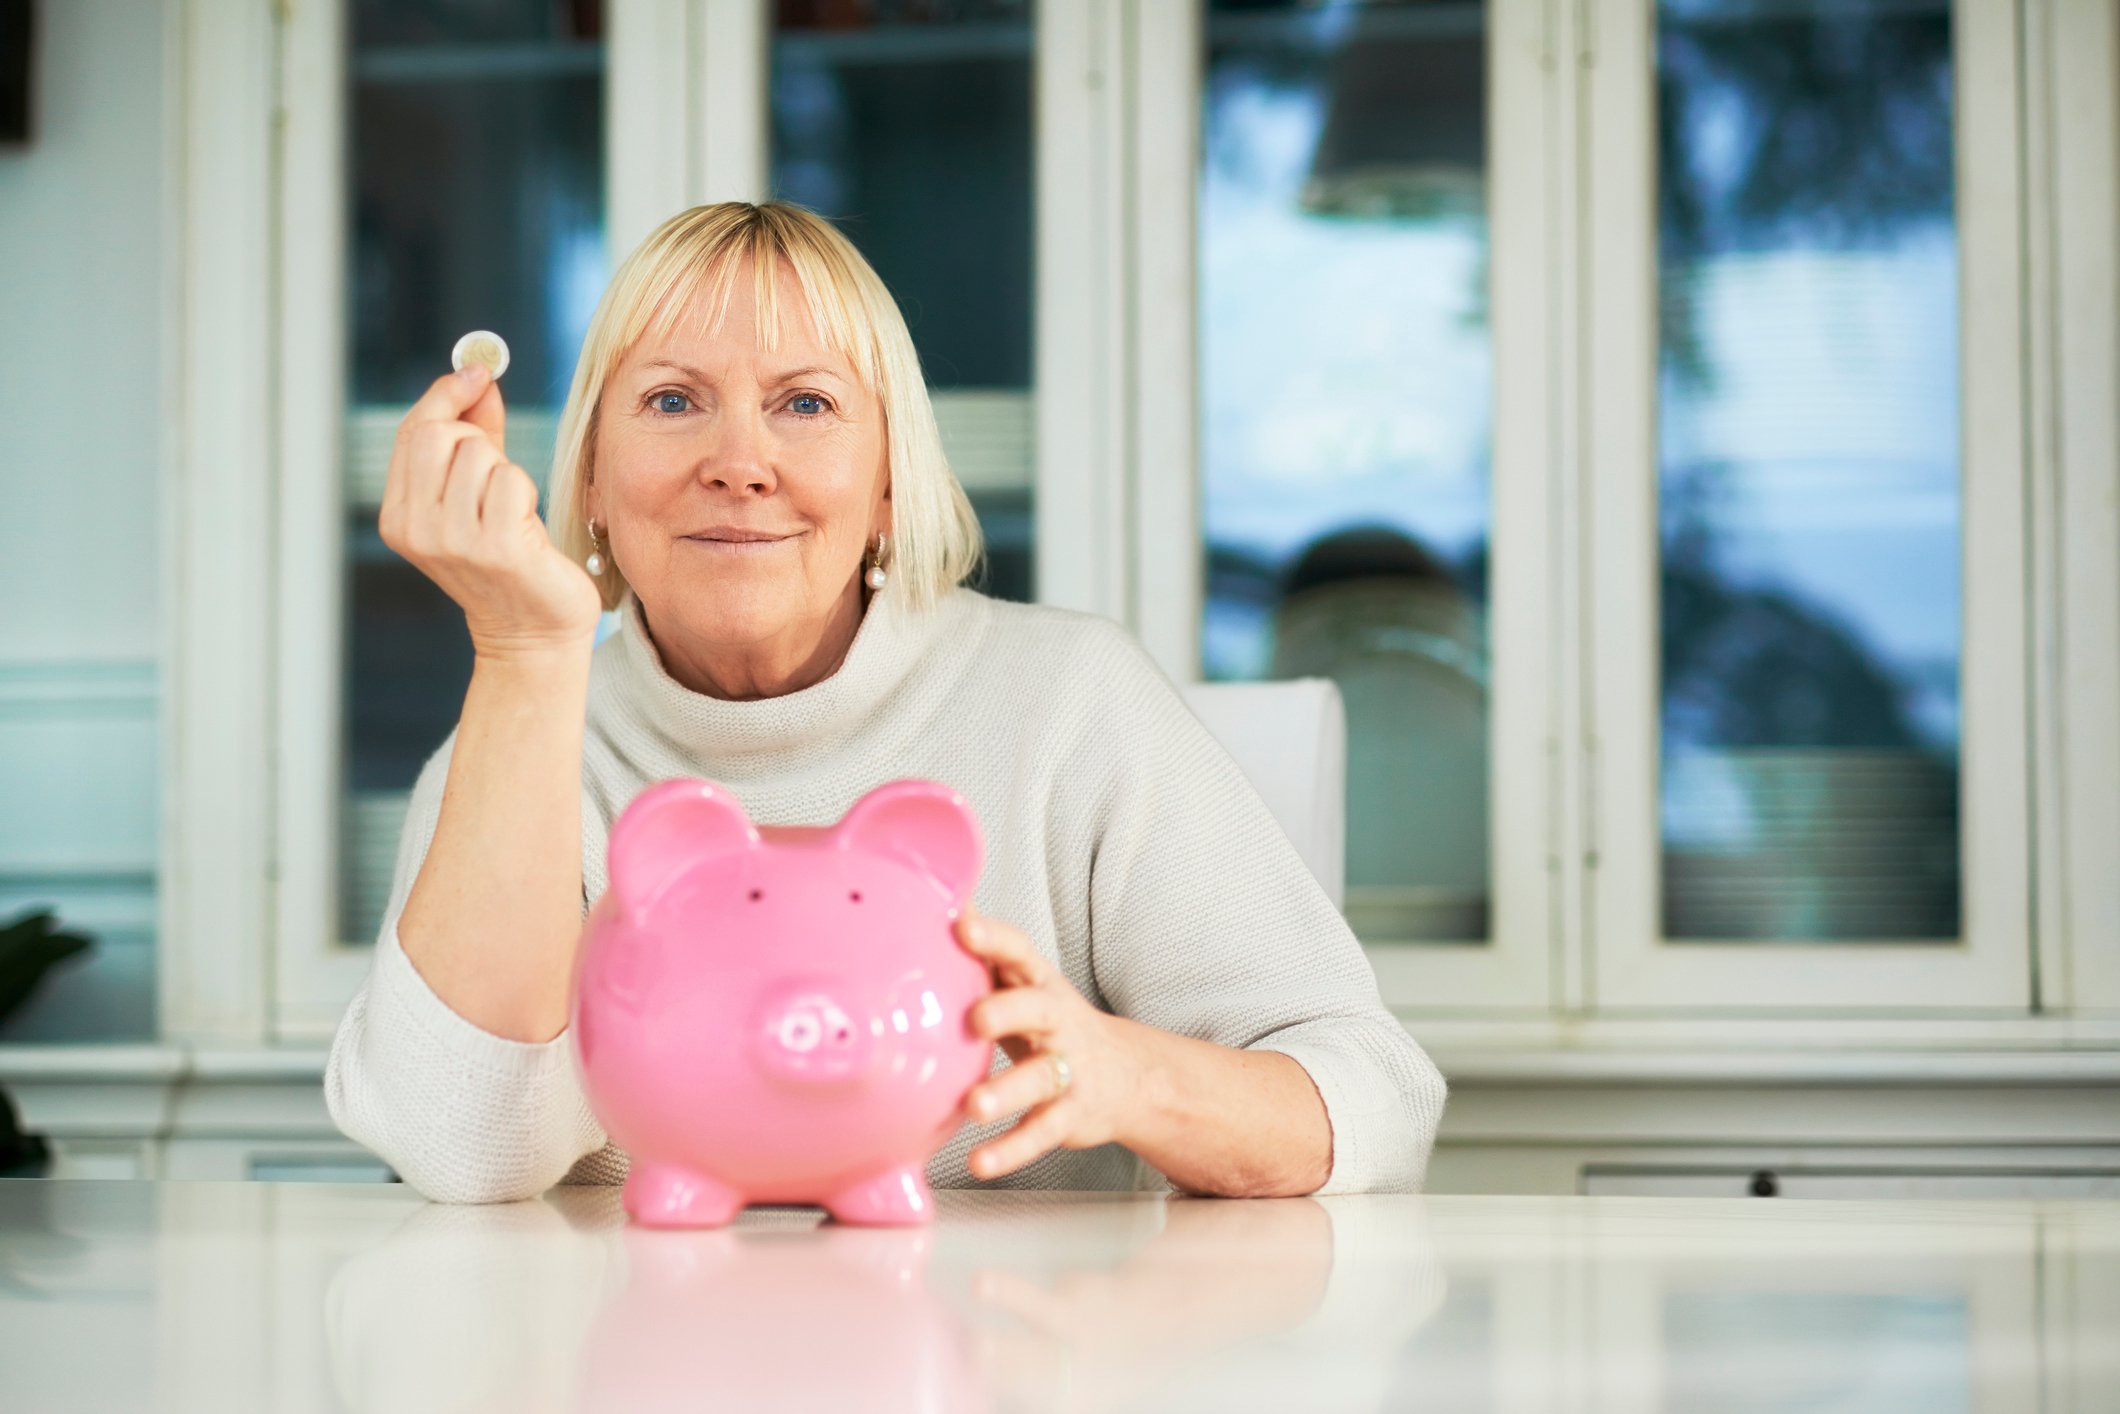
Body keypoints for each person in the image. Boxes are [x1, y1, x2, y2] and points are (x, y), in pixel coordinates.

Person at [323, 200, 1447, 1205]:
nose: (739, 462)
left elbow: (1377, 1094)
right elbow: (463, 1147)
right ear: (590, 482)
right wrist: (525, 650)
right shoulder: (518, 734)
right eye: (671, 400)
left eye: (805, 403)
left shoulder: (1070, 703)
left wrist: (1131, 1074)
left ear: (888, 486)